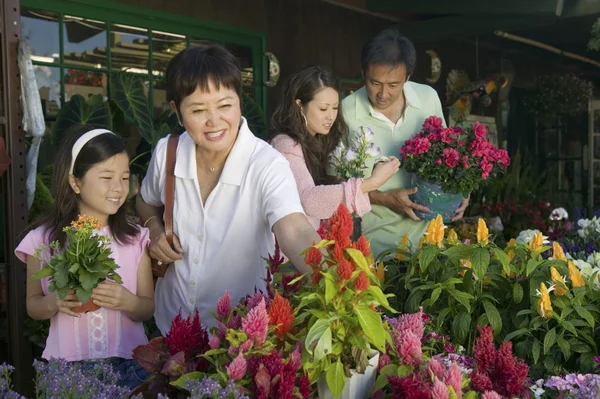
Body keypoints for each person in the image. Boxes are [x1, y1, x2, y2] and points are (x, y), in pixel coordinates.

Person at [136, 44, 322, 334]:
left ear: (239, 101)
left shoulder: (266, 164)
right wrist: (155, 229)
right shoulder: (167, 153)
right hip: (170, 322)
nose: (214, 121)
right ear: (177, 110)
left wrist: (334, 283)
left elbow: (295, 229)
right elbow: (145, 201)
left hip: (236, 335)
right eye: (198, 110)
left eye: (225, 105)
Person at [15, 125, 155, 390]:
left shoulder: (136, 238)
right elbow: (33, 306)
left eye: (125, 178)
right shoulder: (43, 240)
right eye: (107, 177)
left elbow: (147, 307)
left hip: (128, 366)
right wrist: (54, 301)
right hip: (68, 369)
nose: (118, 187)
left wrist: (129, 301)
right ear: (75, 182)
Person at [342, 27, 469, 256]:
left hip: (429, 239)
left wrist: (461, 191)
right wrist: (385, 198)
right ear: (363, 73)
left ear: (407, 78)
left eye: (393, 85)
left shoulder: (428, 97)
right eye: (375, 83)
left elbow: (448, 156)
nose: (383, 94)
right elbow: (335, 185)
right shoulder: (346, 112)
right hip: (374, 243)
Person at [270, 65, 400, 230]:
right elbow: (309, 200)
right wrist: (371, 182)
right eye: (323, 109)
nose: (331, 116)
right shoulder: (285, 144)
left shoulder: (319, 140)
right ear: (300, 105)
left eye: (335, 108)